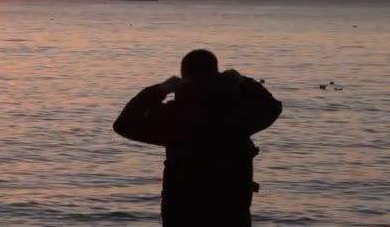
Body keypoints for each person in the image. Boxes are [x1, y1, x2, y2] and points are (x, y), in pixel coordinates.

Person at [113, 49, 282, 227]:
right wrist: (244, 82)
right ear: (217, 75)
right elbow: (272, 107)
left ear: (184, 79)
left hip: (182, 215)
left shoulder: (173, 116)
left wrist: (160, 90)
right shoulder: (238, 114)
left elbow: (124, 124)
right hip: (231, 214)